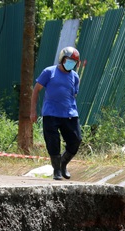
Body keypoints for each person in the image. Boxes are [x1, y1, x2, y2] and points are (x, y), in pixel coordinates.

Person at [30, 46, 82, 180]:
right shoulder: (49, 72)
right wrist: (32, 111)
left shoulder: (75, 76)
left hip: (70, 114)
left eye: (74, 62)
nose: (71, 63)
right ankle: (57, 170)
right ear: (62, 59)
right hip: (51, 114)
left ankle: (63, 163)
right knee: (53, 142)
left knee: (76, 141)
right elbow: (36, 91)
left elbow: (73, 94)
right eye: (69, 60)